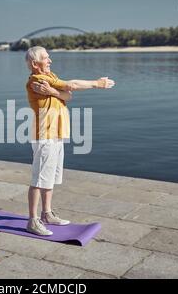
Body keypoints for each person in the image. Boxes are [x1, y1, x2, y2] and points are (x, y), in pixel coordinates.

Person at [25, 46, 115, 236]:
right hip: (45, 135)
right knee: (39, 178)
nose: (50, 61)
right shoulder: (37, 80)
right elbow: (71, 85)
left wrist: (53, 92)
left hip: (56, 134)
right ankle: (32, 221)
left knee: (50, 177)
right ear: (35, 63)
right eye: (46, 58)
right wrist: (97, 83)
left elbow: (68, 95)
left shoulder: (50, 77)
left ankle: (47, 214)